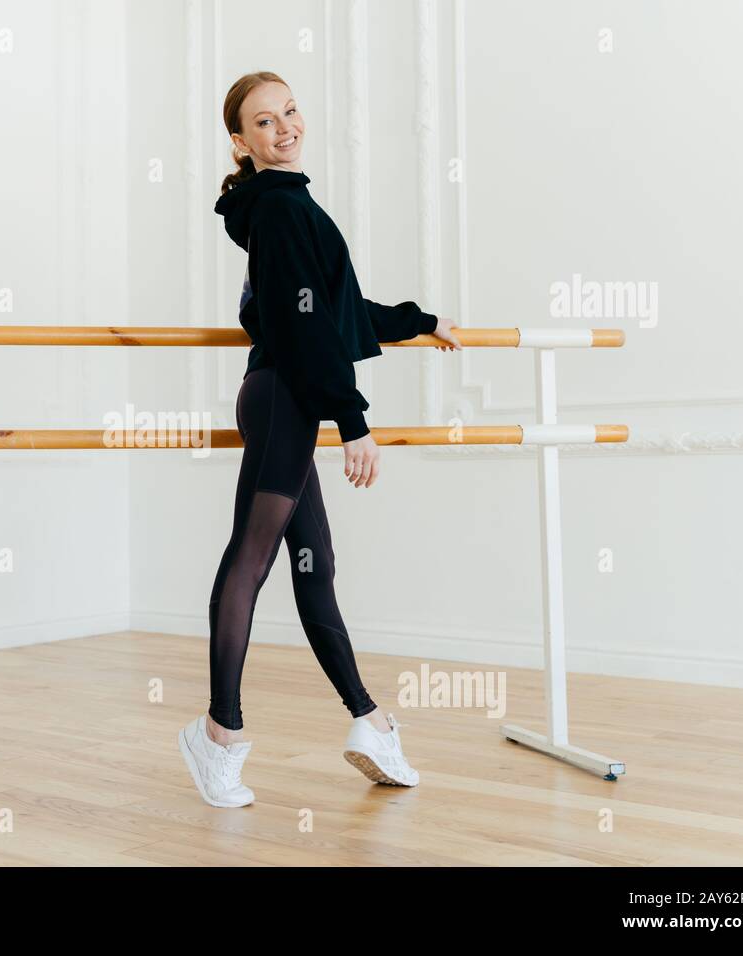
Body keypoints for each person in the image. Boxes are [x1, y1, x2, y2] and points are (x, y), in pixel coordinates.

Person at [178, 72, 461, 808]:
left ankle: (368, 722)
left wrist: (415, 319)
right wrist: (353, 421)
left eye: (291, 111)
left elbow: (333, 309)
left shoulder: (288, 206)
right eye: (265, 122)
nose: (286, 127)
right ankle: (219, 734)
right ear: (242, 142)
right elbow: (302, 329)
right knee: (253, 554)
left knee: (314, 563)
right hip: (284, 399)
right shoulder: (275, 211)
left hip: (286, 401)